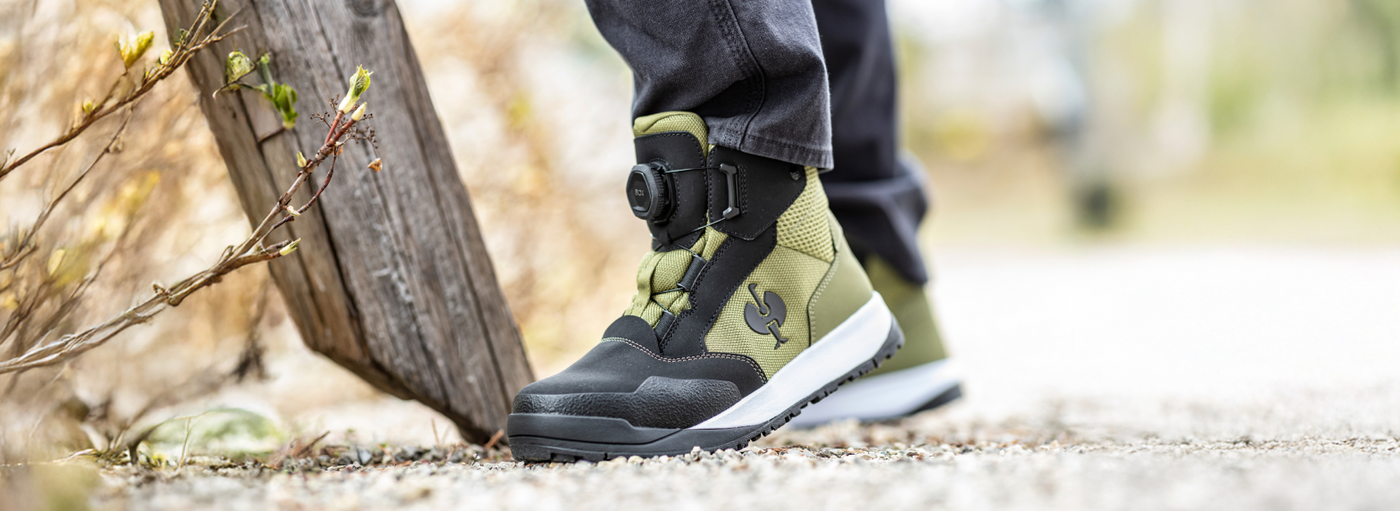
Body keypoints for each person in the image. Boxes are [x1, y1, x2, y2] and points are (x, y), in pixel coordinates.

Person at [506, 0, 958, 462]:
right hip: (857, 222)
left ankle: (775, 235)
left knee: (736, 104)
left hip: (760, 236)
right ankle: (854, 244)